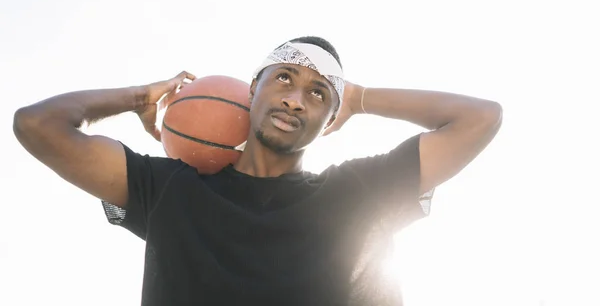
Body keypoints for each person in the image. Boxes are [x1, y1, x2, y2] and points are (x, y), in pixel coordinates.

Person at [13, 36, 503, 305]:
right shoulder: (170, 189)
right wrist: (140, 98)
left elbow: (479, 118)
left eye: (317, 93)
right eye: (285, 77)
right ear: (252, 91)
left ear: (330, 119)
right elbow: (37, 126)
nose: (295, 97)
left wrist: (358, 96)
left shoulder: (359, 193)